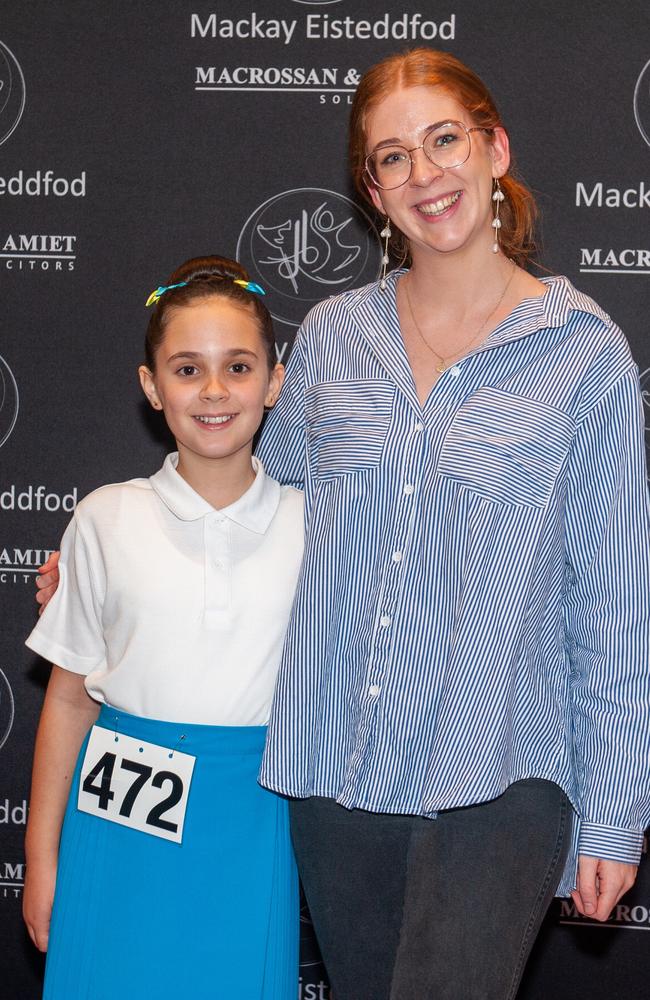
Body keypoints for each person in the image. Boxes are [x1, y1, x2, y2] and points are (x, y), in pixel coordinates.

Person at [36, 49, 650, 1000]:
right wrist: (106, 557)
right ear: (372, 192)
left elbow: (613, 602)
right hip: (335, 771)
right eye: (392, 158)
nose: (425, 173)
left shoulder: (585, 354)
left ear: (495, 149)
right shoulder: (332, 337)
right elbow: (248, 500)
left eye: (444, 140)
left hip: (499, 772)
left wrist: (613, 814)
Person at [24, 256, 302, 999]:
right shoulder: (105, 518)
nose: (214, 391)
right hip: (115, 835)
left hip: (252, 821)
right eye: (186, 369)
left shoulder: (319, 527)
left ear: (275, 382)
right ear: (151, 386)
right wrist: (42, 857)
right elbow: (72, 695)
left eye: (238, 366)